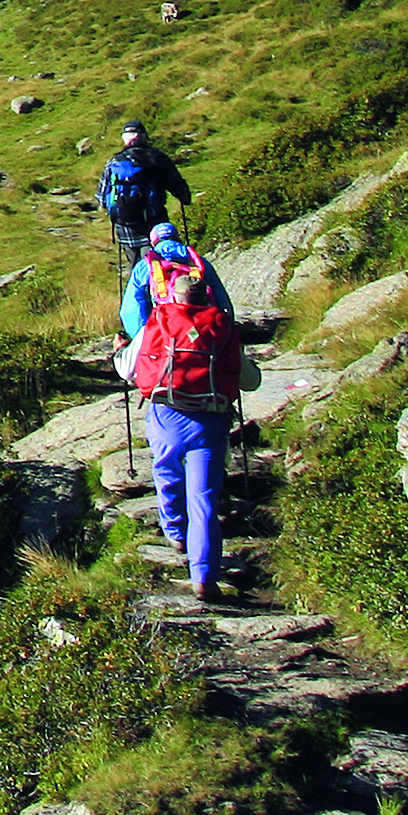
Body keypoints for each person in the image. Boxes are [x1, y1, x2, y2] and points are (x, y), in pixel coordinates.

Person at [121, 222, 244, 599]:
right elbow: (248, 378)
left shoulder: (151, 284)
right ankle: (204, 575)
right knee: (204, 497)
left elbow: (127, 365)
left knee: (165, 470)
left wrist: (135, 344)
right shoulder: (201, 267)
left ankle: (174, 533)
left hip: (167, 409)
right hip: (211, 417)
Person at [97, 119, 193, 273]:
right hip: (155, 224)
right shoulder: (157, 157)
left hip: (125, 228)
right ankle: (161, 295)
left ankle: (140, 295)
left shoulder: (114, 162)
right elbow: (177, 186)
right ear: (143, 136)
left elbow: (102, 198)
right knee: (160, 268)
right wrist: (185, 198)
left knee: (137, 270)